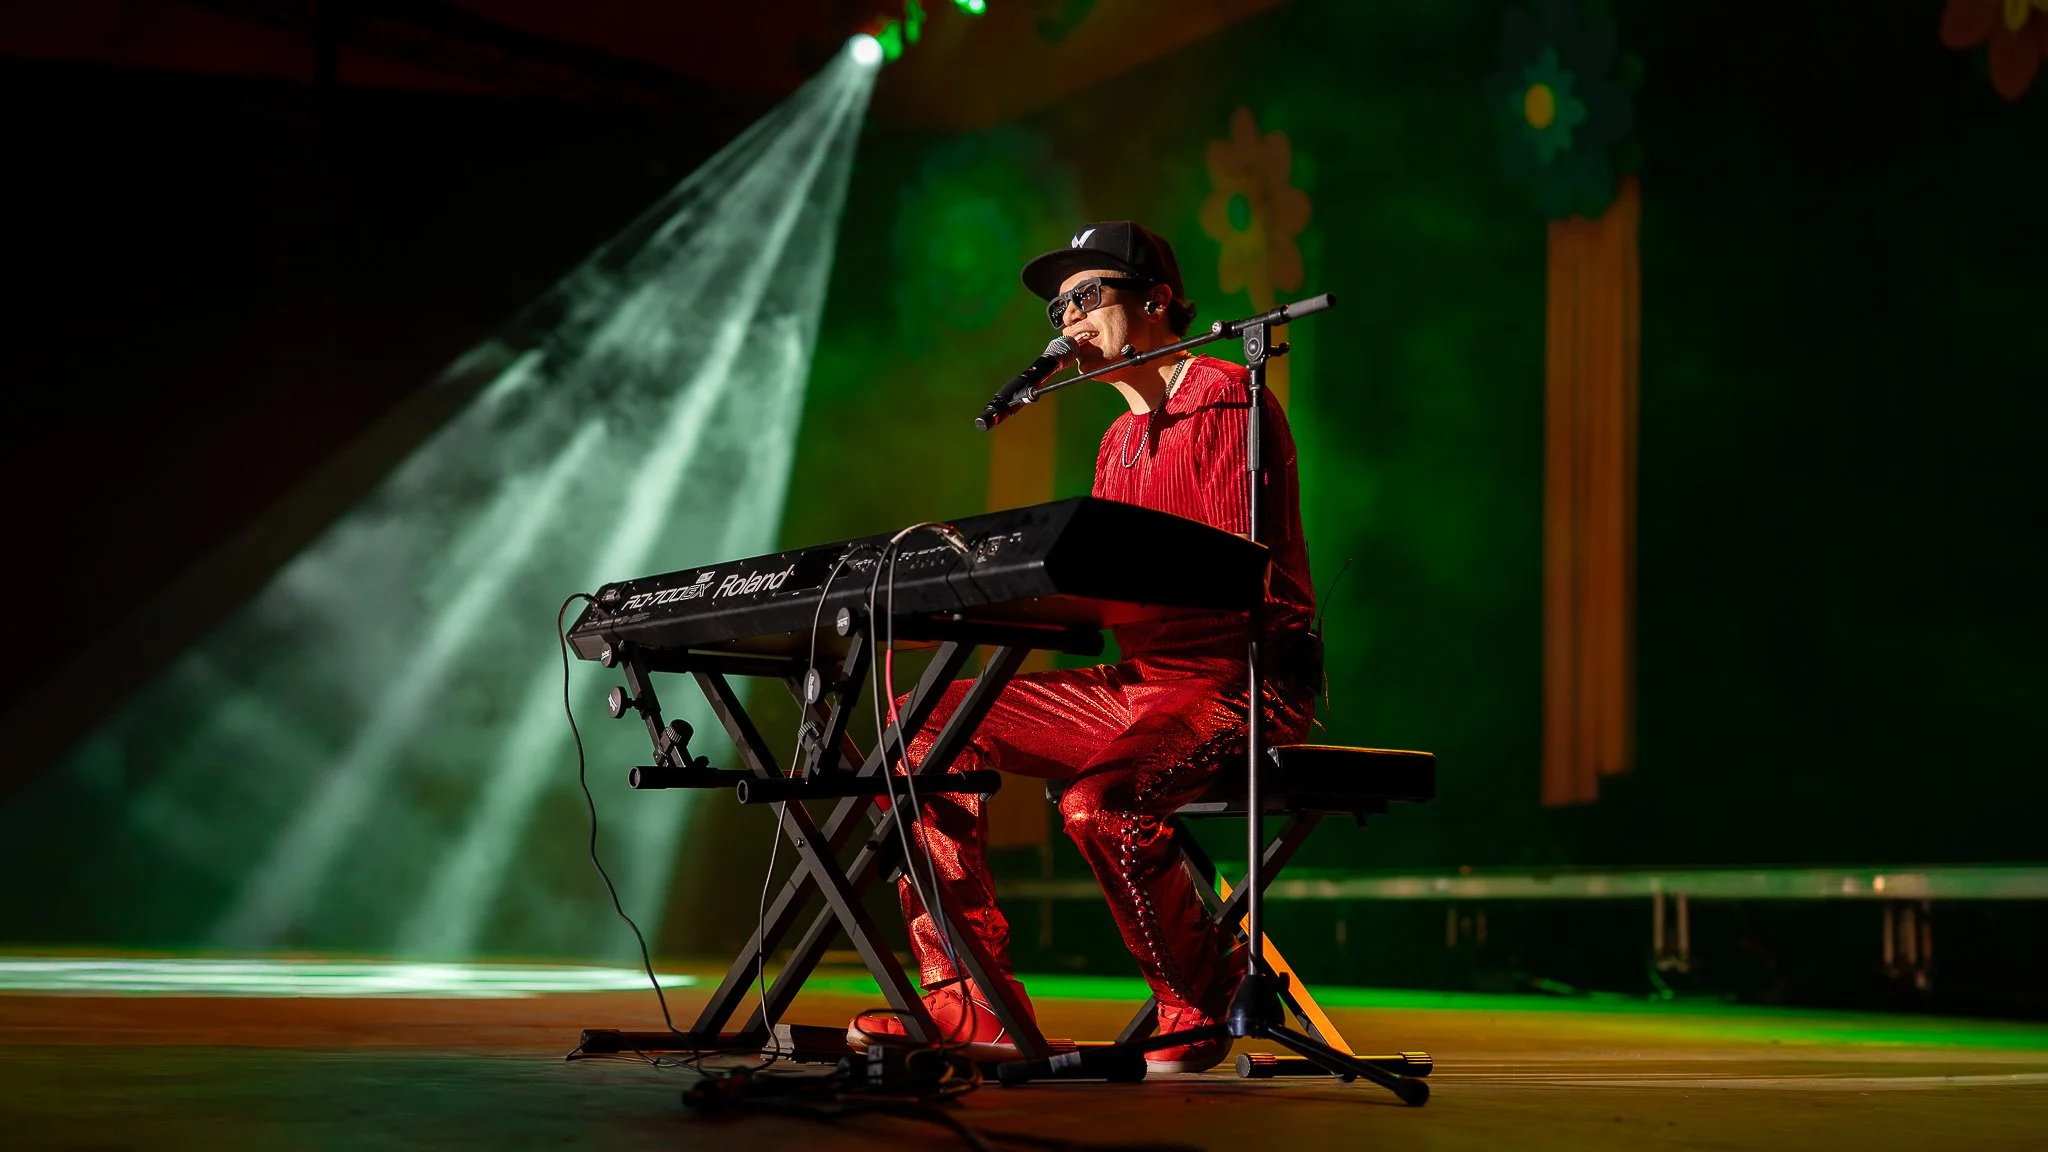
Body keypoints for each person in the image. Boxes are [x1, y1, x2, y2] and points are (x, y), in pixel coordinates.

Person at [849, 222, 1320, 1074]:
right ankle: (969, 1001)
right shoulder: (1114, 442)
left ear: (1158, 299)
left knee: (1097, 804)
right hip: (1143, 681)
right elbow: (1113, 592)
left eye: (1086, 295)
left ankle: (1198, 999)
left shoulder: (1226, 394)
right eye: (1057, 307)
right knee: (922, 727)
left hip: (1240, 677)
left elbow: (1221, 571)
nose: (1066, 317)